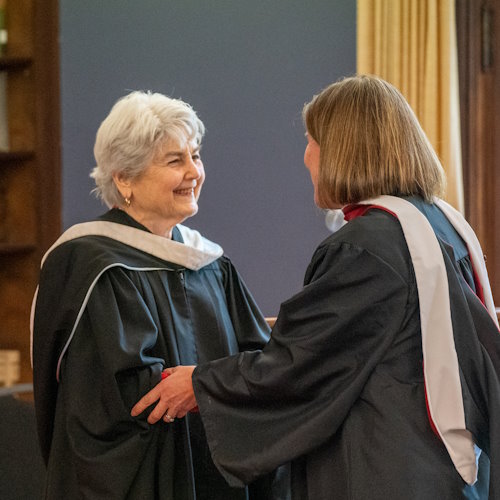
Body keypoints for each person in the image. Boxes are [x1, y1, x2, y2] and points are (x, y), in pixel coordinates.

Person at [132, 75, 500, 499]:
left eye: (311, 141)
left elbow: (303, 365)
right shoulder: (437, 222)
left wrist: (201, 383)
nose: (306, 157)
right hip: (439, 466)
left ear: (341, 149)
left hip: (384, 466)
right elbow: (372, 333)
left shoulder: (367, 245)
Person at [30, 91, 288, 499]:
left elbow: (259, 356)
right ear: (124, 178)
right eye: (175, 160)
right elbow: (123, 395)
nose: (194, 172)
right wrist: (217, 388)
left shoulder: (209, 263)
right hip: (145, 479)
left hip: (213, 470)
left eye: (196, 156)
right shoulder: (92, 264)